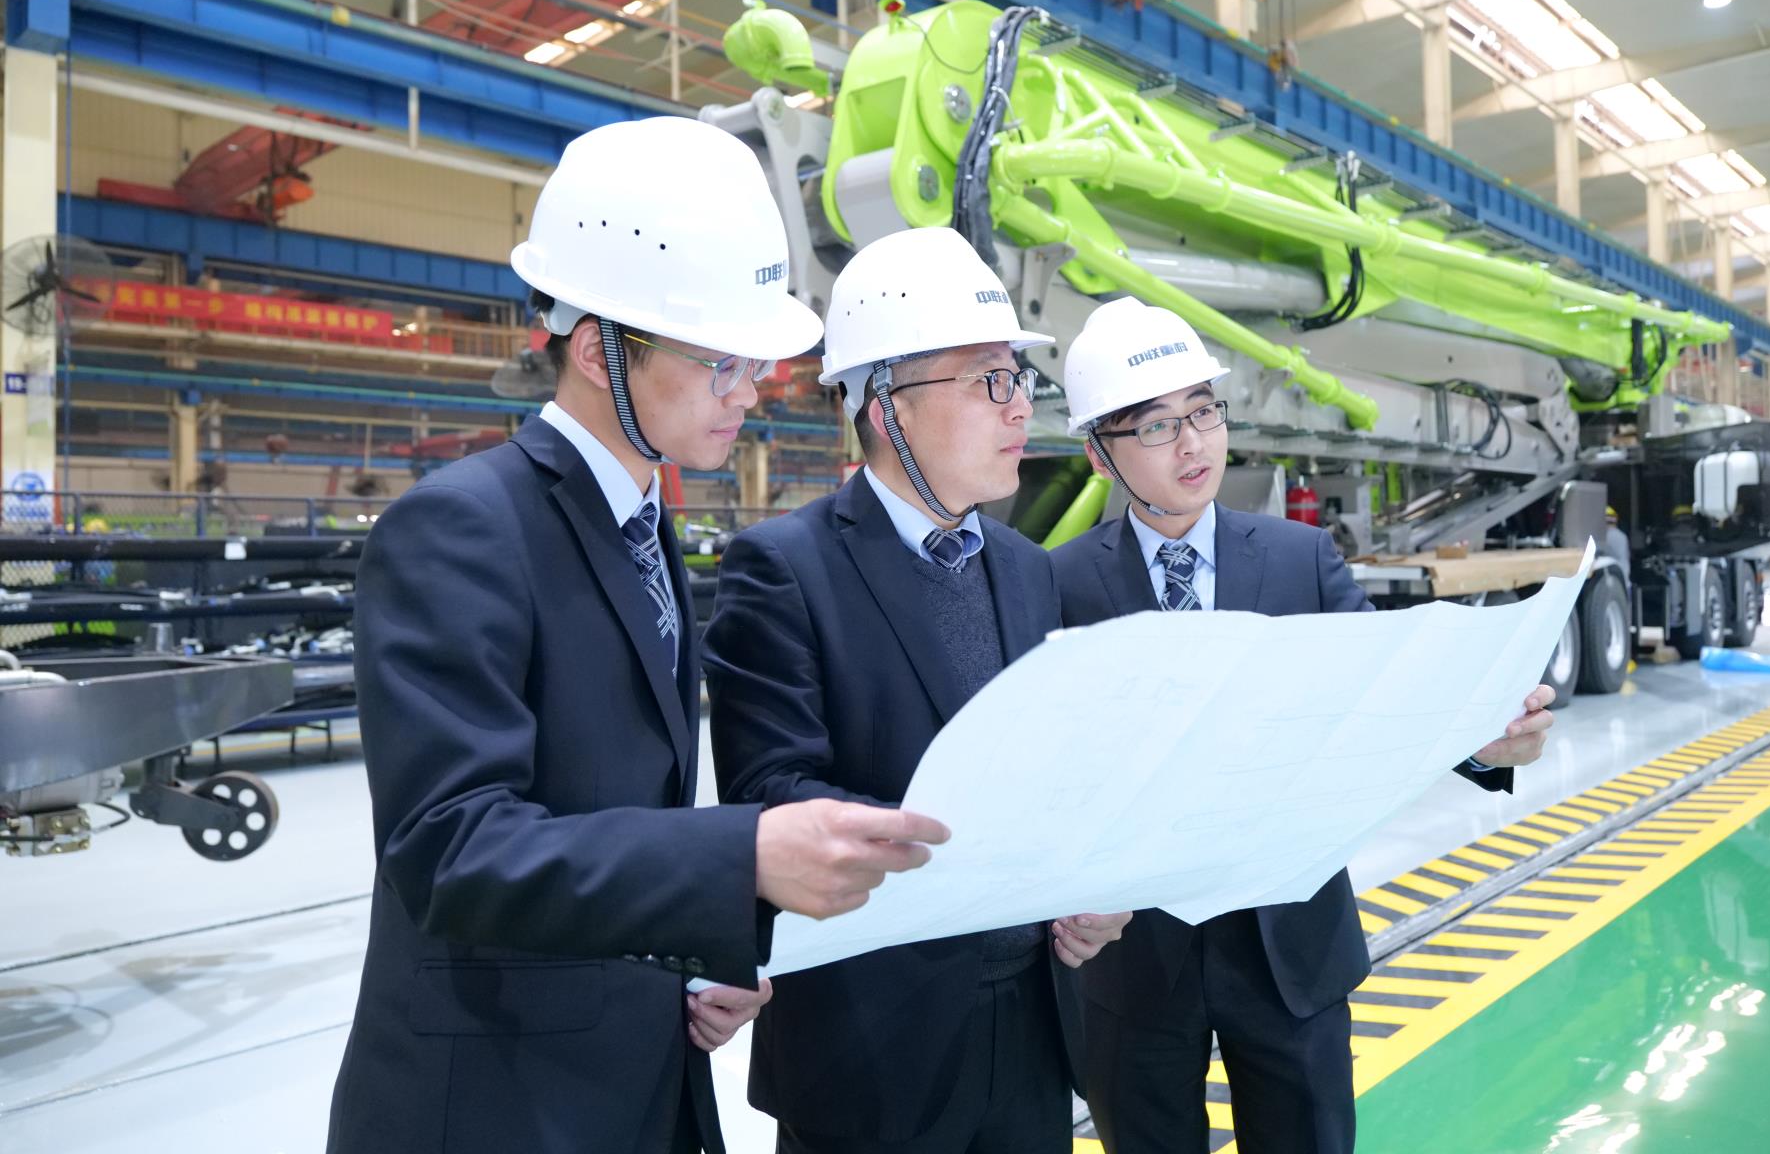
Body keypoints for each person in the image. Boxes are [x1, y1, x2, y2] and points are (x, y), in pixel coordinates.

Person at [327, 119, 950, 1154]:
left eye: (754, 362)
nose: (749, 390)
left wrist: (699, 950)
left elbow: (611, 816)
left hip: (631, 1073)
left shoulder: (642, 523)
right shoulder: (462, 527)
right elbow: (451, 848)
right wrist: (740, 854)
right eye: (720, 362)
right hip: (497, 1103)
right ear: (596, 349)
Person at [1052, 297, 1555, 1154]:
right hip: (1130, 961)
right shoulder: (1058, 584)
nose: (1193, 445)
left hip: (1286, 949)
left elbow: (1389, 696)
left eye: (1204, 412)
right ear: (1101, 452)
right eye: (1158, 426)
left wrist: (1479, 741)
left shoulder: (1298, 560)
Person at [702, 225, 1131, 1153]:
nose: (1021, 406)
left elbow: (1055, 767)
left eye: (1020, 378)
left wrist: (1093, 880)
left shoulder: (1026, 568)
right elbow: (772, 795)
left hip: (1032, 1029)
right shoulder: (784, 568)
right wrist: (972, 845)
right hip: (872, 1044)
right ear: (887, 405)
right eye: (990, 380)